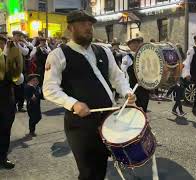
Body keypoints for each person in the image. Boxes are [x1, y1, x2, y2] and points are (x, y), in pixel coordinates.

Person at [43, 10, 136, 180]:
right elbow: (49, 89)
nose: (88, 28)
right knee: (88, 172)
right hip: (80, 126)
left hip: (108, 119)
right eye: (83, 24)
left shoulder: (104, 51)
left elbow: (117, 77)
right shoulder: (58, 55)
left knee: (101, 166)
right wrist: (73, 104)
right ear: (70, 28)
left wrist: (127, 92)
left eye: (90, 24)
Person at [0, 36, 24, 169]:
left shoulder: (10, 60)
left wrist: (12, 62)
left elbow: (19, 80)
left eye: (3, 45)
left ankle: (2, 157)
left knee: (5, 131)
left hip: (6, 102)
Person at [121, 37, 150, 112]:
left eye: (137, 43)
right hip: (133, 88)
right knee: (134, 109)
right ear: (129, 46)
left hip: (144, 87)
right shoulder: (127, 58)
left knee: (143, 108)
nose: (136, 45)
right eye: (133, 43)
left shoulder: (144, 56)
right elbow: (123, 72)